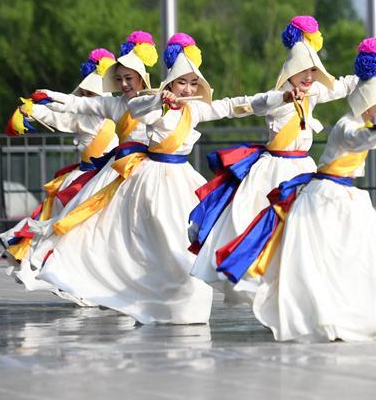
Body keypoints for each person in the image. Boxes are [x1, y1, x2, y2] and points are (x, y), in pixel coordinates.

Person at [220, 39, 376, 341]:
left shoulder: (374, 127)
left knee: (366, 254)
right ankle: (321, 316)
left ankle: (353, 313)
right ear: (366, 104)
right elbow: (355, 139)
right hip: (322, 199)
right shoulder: (346, 125)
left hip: (349, 199)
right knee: (319, 262)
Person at [36, 33, 259, 324]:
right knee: (150, 240)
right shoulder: (142, 105)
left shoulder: (195, 109)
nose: (188, 88)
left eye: (194, 83)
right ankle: (145, 295)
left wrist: (278, 97)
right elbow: (104, 107)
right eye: (182, 82)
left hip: (182, 180)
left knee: (185, 241)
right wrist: (50, 99)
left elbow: (232, 105)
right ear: (169, 83)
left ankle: (187, 303)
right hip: (147, 179)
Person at [189, 16, 357, 304]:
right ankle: (261, 279)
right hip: (274, 170)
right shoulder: (276, 96)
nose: (308, 77)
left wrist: (373, 72)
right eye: (303, 71)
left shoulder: (312, 93)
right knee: (258, 224)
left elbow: (341, 87)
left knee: (306, 226)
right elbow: (255, 104)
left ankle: (298, 282)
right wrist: (285, 97)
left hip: (303, 167)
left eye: (313, 71)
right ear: (290, 71)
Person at [2, 48, 120, 291]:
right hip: (86, 179)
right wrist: (33, 111)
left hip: (112, 176)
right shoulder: (81, 116)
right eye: (86, 93)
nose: (89, 97)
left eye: (95, 93)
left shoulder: (117, 113)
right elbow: (59, 118)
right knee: (67, 226)